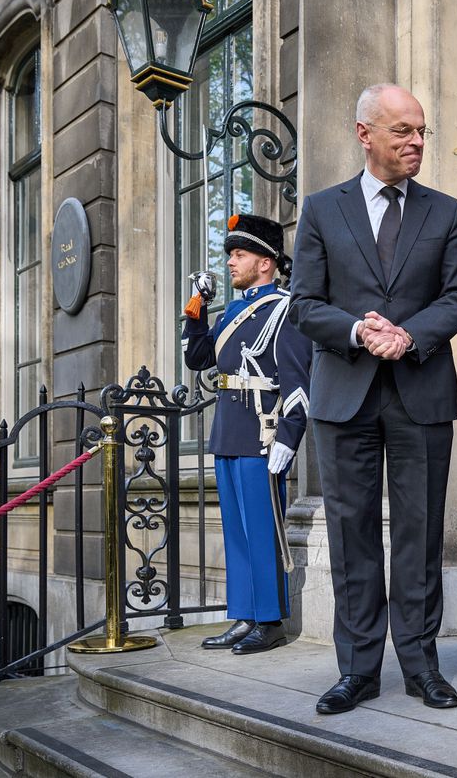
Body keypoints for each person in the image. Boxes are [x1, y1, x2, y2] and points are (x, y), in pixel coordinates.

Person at [288, 83, 457, 715]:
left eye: (421, 131)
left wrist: (409, 336)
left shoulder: (446, 212)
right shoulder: (320, 209)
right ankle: (358, 671)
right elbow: (306, 303)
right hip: (344, 395)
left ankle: (423, 665)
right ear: (363, 133)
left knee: (420, 537)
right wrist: (356, 330)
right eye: (402, 131)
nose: (417, 142)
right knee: (352, 536)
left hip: (420, 391)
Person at [182, 214, 311, 655]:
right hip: (229, 430)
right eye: (231, 255)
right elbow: (200, 358)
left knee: (262, 530)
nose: (231, 263)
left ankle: (270, 621)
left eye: (240, 255)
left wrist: (289, 439)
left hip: (261, 433)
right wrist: (197, 308)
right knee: (236, 532)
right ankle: (245, 615)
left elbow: (298, 382)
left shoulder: (285, 310)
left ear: (266, 262)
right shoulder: (235, 310)